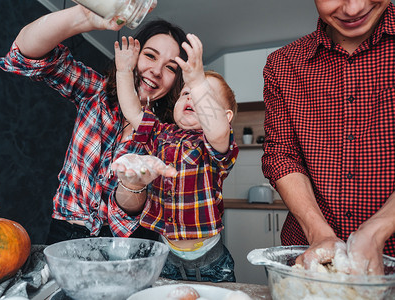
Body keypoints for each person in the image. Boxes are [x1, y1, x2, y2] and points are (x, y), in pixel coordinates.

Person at [0, 4, 188, 244]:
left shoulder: (170, 136)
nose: (156, 71)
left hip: (130, 243)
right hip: (66, 234)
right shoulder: (97, 92)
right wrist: (85, 17)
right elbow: (25, 54)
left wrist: (132, 185)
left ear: (176, 81)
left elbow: (133, 210)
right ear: (132, 53)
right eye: (150, 55)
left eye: (171, 68)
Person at [262, 0, 395, 275]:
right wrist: (319, 234)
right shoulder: (282, 64)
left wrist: (376, 230)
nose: (354, 8)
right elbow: (281, 155)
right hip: (310, 260)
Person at [111, 33, 239, 282]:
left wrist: (198, 79)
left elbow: (217, 129)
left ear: (226, 117)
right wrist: (124, 71)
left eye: (203, 95)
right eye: (185, 93)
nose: (191, 96)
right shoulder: (161, 133)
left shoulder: (214, 143)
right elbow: (133, 111)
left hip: (211, 260)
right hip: (166, 253)